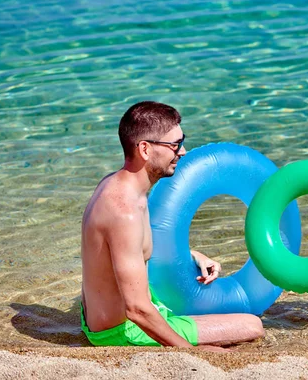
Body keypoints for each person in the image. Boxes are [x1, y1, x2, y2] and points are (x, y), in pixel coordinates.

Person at [81, 101, 265, 352]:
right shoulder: (125, 212)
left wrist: (193, 256)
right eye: (175, 144)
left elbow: (123, 250)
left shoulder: (116, 185)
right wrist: (189, 352)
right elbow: (136, 310)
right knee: (251, 326)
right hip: (121, 332)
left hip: (102, 318)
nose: (183, 151)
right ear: (145, 149)